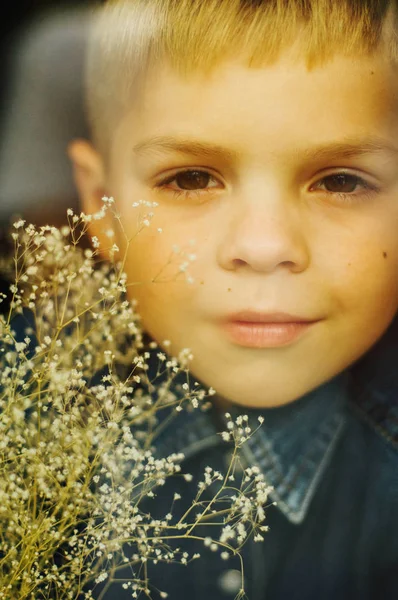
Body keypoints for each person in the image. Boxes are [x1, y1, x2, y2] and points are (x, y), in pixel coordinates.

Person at [67, 1, 398, 598]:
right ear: (101, 204)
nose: (266, 247)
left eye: (341, 180)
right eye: (191, 178)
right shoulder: (33, 426)